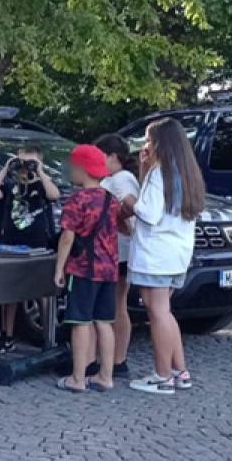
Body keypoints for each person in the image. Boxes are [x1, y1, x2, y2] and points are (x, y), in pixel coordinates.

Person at [124, 118, 204, 395]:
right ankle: (179, 371)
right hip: (177, 254)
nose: (145, 145)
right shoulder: (186, 173)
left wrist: (127, 201)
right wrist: (145, 169)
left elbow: (148, 212)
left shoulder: (160, 173)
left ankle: (162, 376)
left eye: (149, 140)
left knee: (157, 313)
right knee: (164, 312)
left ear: (161, 143)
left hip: (156, 254)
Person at [0, 146, 60, 354]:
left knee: (42, 292)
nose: (25, 167)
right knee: (10, 292)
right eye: (22, 162)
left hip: (38, 245)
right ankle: (6, 336)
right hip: (12, 244)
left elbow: (54, 195)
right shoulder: (11, 186)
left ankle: (48, 338)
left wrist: (40, 171)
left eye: (30, 163)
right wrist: (5, 170)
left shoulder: (43, 186)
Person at [53, 145, 118, 393]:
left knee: (80, 322)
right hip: (109, 270)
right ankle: (105, 376)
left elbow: (67, 237)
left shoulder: (77, 200)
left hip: (84, 270)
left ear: (83, 169)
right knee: (104, 322)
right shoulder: (111, 199)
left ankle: (77, 378)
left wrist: (59, 268)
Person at [95, 134, 141, 378]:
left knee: (116, 304)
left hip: (117, 251)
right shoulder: (120, 178)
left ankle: (117, 358)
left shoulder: (121, 178)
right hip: (116, 250)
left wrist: (117, 220)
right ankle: (113, 358)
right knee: (115, 304)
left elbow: (130, 206)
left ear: (112, 156)